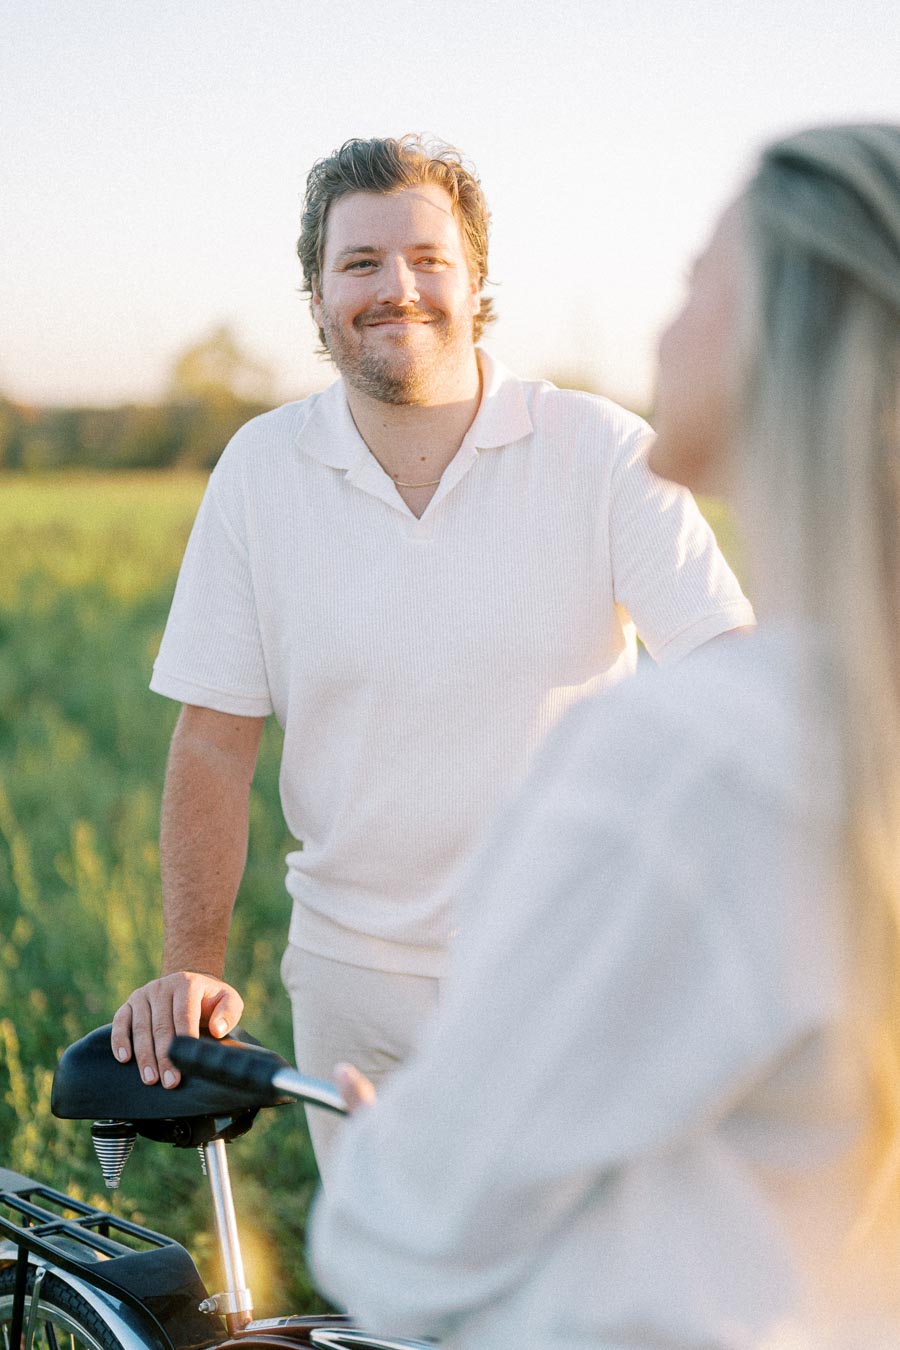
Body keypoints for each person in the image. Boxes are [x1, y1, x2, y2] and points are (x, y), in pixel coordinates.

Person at [309, 123, 900, 1346]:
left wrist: (391, 1157)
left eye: (694, 280)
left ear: (778, 331)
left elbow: (406, 1240)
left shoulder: (688, 763)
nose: (662, 320)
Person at [110, 135, 752, 1169]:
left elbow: (736, 684)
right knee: (398, 1310)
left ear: (475, 279)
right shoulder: (261, 471)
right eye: (359, 263)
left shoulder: (599, 450)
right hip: (354, 989)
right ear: (317, 294)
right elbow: (214, 744)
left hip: (578, 974)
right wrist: (192, 965)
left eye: (426, 258)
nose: (394, 288)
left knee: (581, 1309)